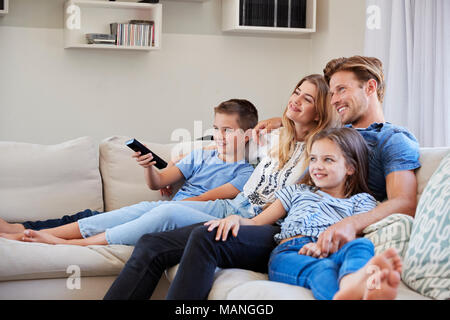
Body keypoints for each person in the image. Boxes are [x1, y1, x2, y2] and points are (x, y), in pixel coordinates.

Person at [103, 56, 420, 300]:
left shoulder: (391, 138)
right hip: (280, 216)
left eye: (342, 89)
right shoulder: (334, 133)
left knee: (205, 237)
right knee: (151, 243)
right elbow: (296, 123)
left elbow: (404, 202)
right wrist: (279, 120)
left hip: (291, 230)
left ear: (371, 88)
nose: (336, 98)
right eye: (333, 91)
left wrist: (350, 223)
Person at [103, 73, 340, 299]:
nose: (295, 100)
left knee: (205, 235)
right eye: (296, 92)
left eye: (306, 99)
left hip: (268, 226)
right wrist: (173, 166)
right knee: (151, 243)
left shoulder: (321, 151)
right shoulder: (273, 138)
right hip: (236, 208)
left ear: (319, 113)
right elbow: (221, 143)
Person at [0, 99, 258, 245]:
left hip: (189, 215)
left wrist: (162, 207)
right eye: (216, 128)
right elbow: (159, 183)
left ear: (247, 135)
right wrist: (148, 167)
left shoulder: (247, 172)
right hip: (169, 209)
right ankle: (22, 231)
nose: (219, 136)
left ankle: (48, 238)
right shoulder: (201, 154)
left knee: (147, 211)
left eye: (228, 130)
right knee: (123, 213)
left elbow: (206, 199)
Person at [205, 127, 399, 300]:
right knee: (324, 269)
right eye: (313, 159)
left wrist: (323, 247)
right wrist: (235, 219)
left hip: (333, 251)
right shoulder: (296, 191)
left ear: (350, 167)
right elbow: (256, 222)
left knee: (361, 244)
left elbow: (353, 234)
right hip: (290, 251)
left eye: (328, 159)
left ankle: (352, 285)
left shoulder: (361, 200)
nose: (317, 166)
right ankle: (344, 295)